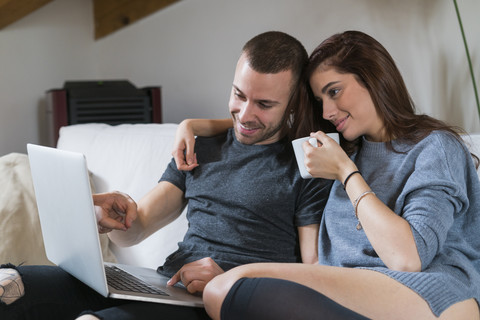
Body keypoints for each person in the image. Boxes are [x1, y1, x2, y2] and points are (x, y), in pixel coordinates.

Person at [0, 31, 332, 320]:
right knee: (9, 284)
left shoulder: (308, 165)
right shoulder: (200, 147)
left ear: (293, 104)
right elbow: (136, 227)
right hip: (163, 285)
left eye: (264, 104)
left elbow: (314, 273)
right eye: (238, 95)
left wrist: (232, 278)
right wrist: (110, 218)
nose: (244, 114)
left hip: (213, 304)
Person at [176, 31, 480, 319]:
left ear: (374, 79)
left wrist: (347, 174)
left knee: (223, 288)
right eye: (321, 100)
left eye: (335, 91)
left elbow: (408, 259)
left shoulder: (434, 147)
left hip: (433, 293)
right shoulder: (342, 149)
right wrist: (193, 125)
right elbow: (266, 123)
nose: (327, 111)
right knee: (223, 288)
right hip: (350, 290)